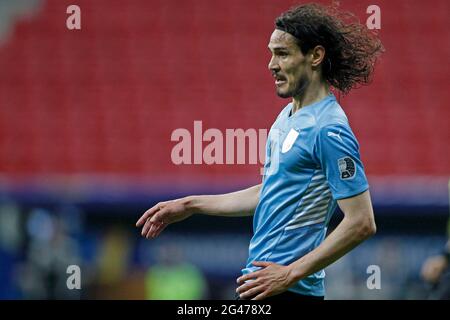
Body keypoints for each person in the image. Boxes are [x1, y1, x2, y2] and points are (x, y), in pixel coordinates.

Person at [136, 3, 383, 300]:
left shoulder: (329, 129)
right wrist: (190, 205)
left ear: (315, 56)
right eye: (271, 53)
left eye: (282, 53)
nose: (271, 64)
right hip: (261, 282)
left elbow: (361, 222)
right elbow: (269, 191)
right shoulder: (286, 116)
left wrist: (290, 272)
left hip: (290, 289)